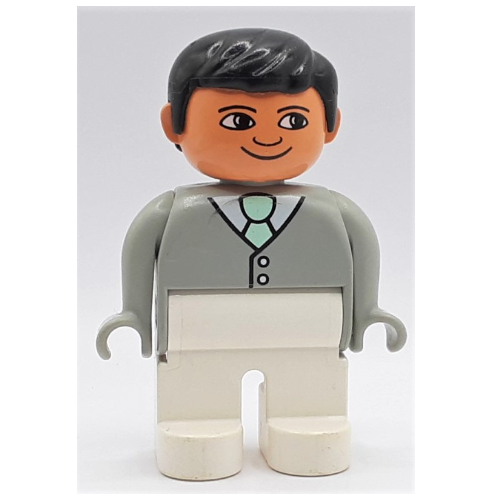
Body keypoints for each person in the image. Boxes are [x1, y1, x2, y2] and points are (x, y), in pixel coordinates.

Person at [96, 28, 407, 481]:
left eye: (293, 121)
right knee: (197, 396)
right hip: (195, 328)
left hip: (311, 327)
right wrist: (135, 314)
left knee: (308, 394)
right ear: (173, 125)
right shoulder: (173, 212)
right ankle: (199, 425)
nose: (267, 137)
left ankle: (305, 421)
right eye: (239, 120)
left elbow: (363, 247)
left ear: (330, 125)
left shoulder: (333, 212)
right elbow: (142, 249)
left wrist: (365, 311)